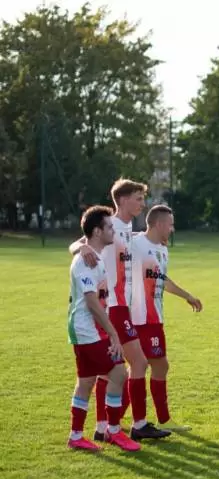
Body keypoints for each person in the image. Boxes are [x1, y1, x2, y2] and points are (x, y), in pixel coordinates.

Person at [69, 178, 171, 441]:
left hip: (122, 307)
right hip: (113, 306)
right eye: (138, 198)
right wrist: (82, 246)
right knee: (138, 362)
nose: (142, 204)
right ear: (123, 200)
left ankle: (103, 426)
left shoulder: (126, 229)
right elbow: (76, 244)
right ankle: (138, 424)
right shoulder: (110, 225)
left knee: (111, 370)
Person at [67, 205, 139, 452]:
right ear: (97, 231)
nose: (113, 232)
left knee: (86, 381)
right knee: (118, 372)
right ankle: (113, 431)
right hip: (87, 329)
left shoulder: (93, 257)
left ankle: (76, 436)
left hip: (88, 328)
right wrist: (113, 333)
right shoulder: (85, 261)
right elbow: (91, 302)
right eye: (109, 228)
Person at [130, 205, 202, 432]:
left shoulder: (162, 250)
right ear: (159, 224)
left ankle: (152, 419)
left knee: (153, 366)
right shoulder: (135, 243)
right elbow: (99, 242)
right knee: (149, 366)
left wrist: (186, 295)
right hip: (139, 318)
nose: (172, 229)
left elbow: (162, 279)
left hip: (155, 318)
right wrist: (82, 248)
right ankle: (146, 420)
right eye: (170, 224)